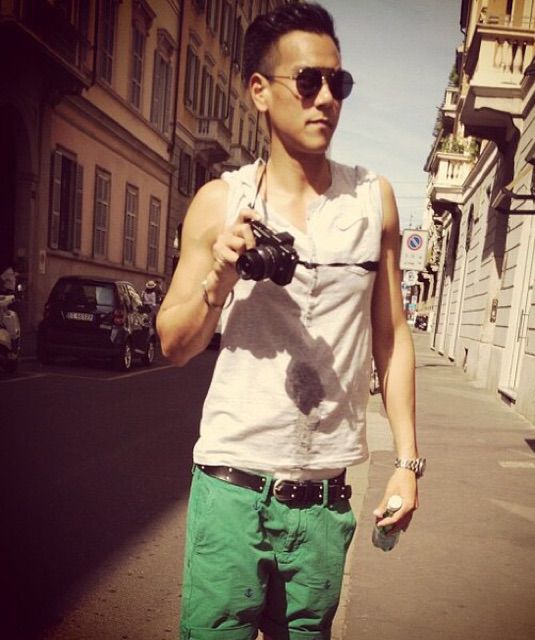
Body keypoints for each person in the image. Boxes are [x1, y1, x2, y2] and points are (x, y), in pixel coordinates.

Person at [156, 4, 424, 639]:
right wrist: (220, 277)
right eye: (308, 81)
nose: (326, 98)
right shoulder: (221, 202)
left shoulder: (374, 200)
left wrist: (407, 462)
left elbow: (391, 337)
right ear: (260, 90)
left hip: (324, 504)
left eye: (338, 82)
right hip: (231, 491)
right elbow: (173, 343)